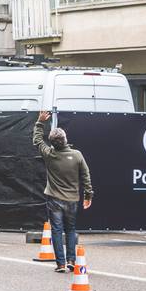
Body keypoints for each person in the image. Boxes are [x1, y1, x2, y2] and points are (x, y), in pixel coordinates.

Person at [33, 110, 93, 272]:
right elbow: (86, 176)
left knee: (57, 230)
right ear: (66, 140)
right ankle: (71, 260)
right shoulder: (77, 155)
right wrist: (88, 195)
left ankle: (60, 263)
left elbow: (37, 140)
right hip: (72, 199)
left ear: (53, 143)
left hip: (53, 198)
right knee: (71, 229)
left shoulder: (50, 154)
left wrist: (40, 122)